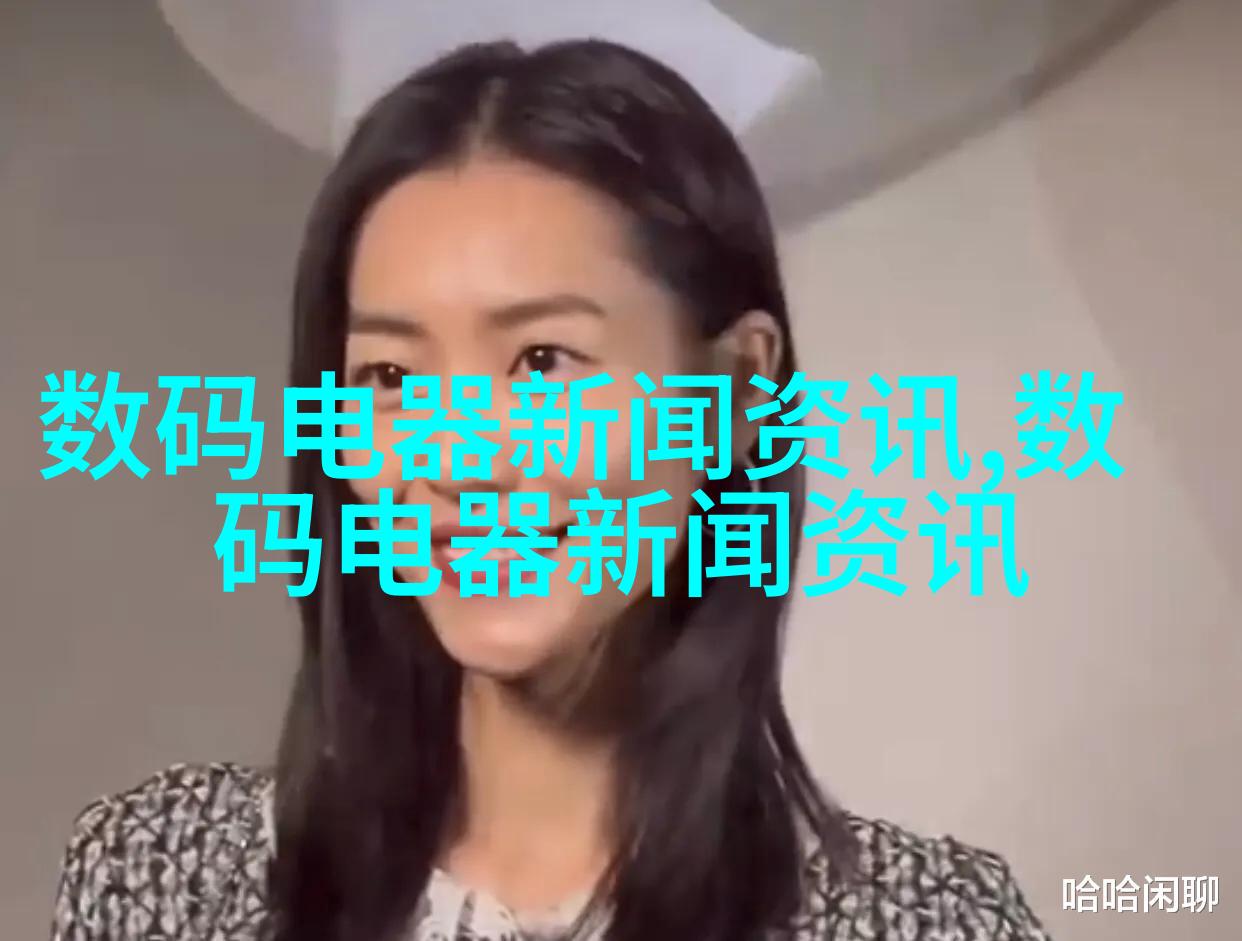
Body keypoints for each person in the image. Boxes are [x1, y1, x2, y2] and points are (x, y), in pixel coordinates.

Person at [50, 38, 1050, 941]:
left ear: (739, 390)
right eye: (390, 376)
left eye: (541, 362)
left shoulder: (934, 923)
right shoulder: (162, 879)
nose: (458, 460)